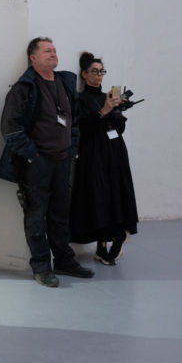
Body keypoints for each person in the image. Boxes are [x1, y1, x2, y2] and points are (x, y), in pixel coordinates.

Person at [0, 37, 94, 287]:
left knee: (60, 214)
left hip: (62, 162)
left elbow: (74, 121)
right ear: (33, 57)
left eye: (54, 50)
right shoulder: (24, 88)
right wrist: (34, 157)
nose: (53, 53)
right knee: (36, 216)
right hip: (37, 165)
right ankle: (41, 266)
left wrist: (71, 150)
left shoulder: (64, 83)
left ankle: (64, 261)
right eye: (47, 51)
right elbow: (11, 129)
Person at [69, 52, 139, 264]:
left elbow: (119, 128)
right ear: (84, 74)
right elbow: (83, 128)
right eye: (94, 71)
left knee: (115, 192)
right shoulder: (80, 99)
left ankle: (106, 245)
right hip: (93, 154)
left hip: (115, 151)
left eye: (101, 71)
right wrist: (104, 110)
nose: (99, 75)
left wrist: (117, 110)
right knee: (97, 196)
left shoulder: (106, 96)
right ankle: (108, 238)